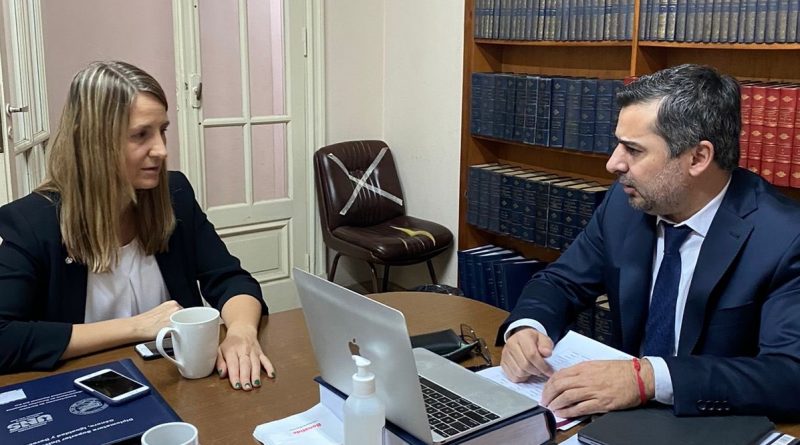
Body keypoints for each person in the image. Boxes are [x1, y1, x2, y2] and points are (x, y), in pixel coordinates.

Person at [499, 64, 800, 420]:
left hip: (712, 422)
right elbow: (562, 281)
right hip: (618, 420)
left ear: (698, 158)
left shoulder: (785, 237)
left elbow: (789, 375)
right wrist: (528, 326)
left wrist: (648, 379)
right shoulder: (625, 204)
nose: (613, 163)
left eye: (633, 150)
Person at [0, 61, 274, 391]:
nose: (161, 150)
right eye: (140, 135)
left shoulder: (175, 196)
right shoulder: (32, 223)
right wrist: (137, 327)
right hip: (81, 393)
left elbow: (231, 279)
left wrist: (241, 333)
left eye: (163, 131)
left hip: (178, 385)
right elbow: (4, 337)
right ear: (91, 141)